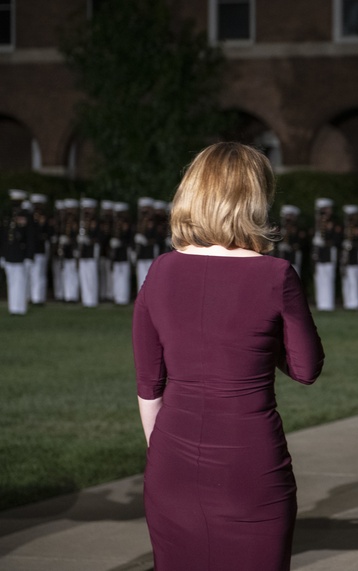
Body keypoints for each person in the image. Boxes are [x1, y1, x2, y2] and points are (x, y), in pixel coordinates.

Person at [132, 142, 324, 571]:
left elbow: (149, 385)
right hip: (248, 462)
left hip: (171, 464)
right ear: (255, 200)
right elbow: (306, 369)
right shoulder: (274, 275)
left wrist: (163, 453)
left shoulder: (160, 270)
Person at [2, 189, 36, 315]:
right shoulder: (8, 216)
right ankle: (13, 307)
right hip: (10, 255)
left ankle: (20, 308)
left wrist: (29, 256)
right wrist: (2, 254)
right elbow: (4, 237)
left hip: (21, 255)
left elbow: (30, 238)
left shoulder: (27, 216)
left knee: (20, 282)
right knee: (11, 282)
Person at [311, 198, 338, 312]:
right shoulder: (317, 222)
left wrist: (325, 242)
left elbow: (336, 238)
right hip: (319, 254)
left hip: (328, 253)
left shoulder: (333, 223)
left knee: (328, 277)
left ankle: (328, 303)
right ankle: (321, 303)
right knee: (320, 278)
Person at [339, 204, 358, 310]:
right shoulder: (343, 227)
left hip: (355, 257)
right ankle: (347, 302)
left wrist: (354, 244)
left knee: (354, 279)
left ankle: (355, 302)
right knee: (346, 280)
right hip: (345, 258)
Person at [78, 198, 102, 308]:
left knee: (91, 276)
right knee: (83, 276)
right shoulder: (81, 222)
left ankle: (92, 300)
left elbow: (99, 237)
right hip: (83, 252)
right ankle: (86, 300)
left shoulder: (96, 222)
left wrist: (89, 240)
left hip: (92, 252)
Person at [29, 193, 51, 305]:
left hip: (40, 250)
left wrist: (41, 224)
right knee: (32, 275)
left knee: (39, 274)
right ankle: (32, 296)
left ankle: (38, 298)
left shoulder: (45, 219)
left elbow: (47, 234)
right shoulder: (29, 218)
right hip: (31, 251)